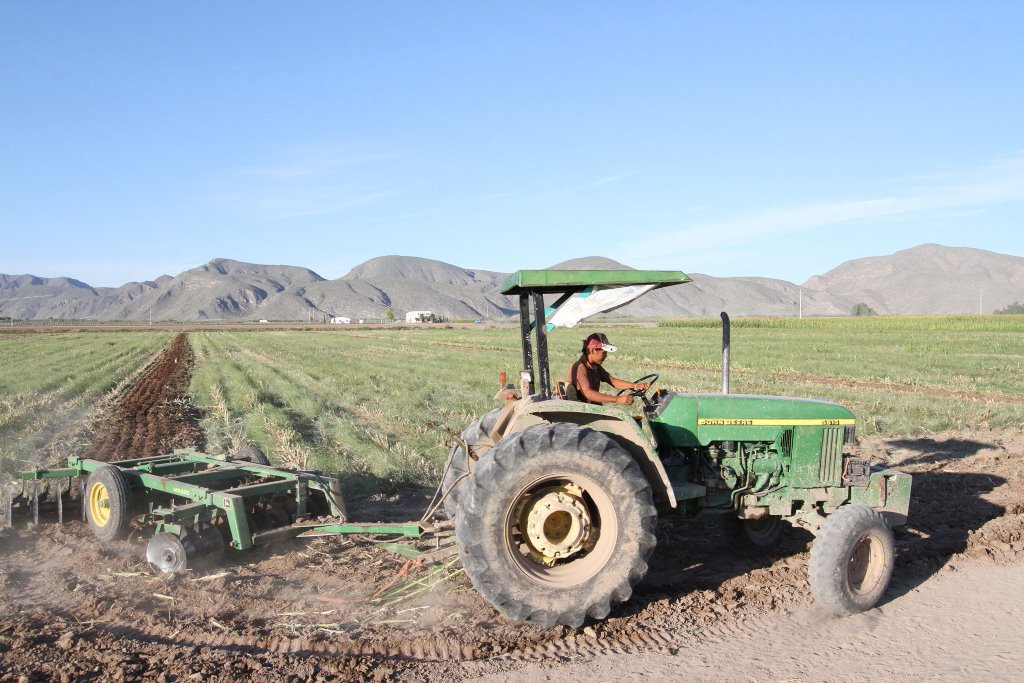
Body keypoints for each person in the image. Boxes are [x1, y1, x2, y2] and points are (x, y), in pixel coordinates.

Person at [568, 332, 650, 405]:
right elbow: (588, 393)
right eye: (604, 353)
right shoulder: (580, 368)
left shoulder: (595, 366)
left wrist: (635, 386)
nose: (606, 356)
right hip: (585, 412)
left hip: (594, 408)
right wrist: (616, 399)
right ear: (592, 350)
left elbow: (612, 381)